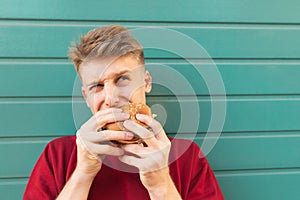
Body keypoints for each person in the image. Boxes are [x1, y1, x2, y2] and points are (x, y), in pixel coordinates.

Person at [23, 25, 224, 200]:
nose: (111, 98)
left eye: (122, 79)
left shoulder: (187, 156)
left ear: (146, 82)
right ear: (86, 97)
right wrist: (83, 173)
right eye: (97, 86)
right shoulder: (58, 155)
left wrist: (160, 183)